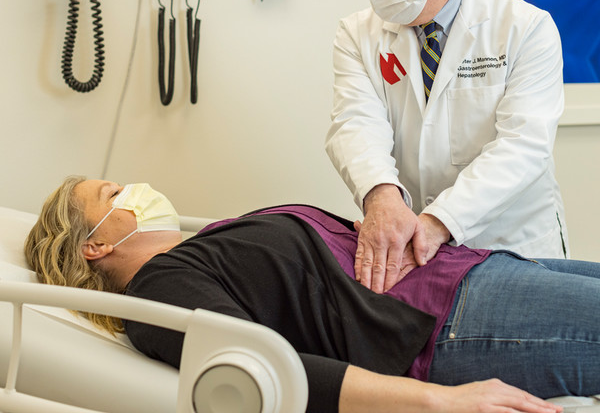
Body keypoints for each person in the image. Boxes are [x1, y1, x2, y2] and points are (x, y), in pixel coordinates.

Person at [25, 177, 600, 413]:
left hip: (462, 273)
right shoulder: (157, 292)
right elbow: (275, 368)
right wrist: (440, 402)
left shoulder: (195, 251)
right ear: (94, 246)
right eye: (114, 192)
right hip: (444, 321)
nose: (137, 188)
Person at [325, 0, 568, 294]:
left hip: (513, 245)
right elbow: (355, 123)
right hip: (420, 254)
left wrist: (438, 223)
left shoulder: (525, 28)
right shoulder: (357, 33)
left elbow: (523, 147)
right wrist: (382, 197)